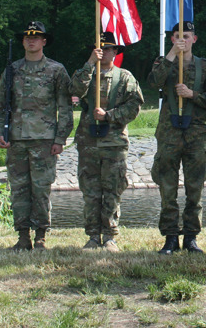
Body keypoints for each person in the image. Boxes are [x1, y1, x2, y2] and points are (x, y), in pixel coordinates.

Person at [0, 21, 74, 251]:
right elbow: (1, 105)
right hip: (16, 139)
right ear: (22, 41)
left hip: (44, 139)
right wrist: (1, 131)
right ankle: (22, 237)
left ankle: (40, 237)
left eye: (36, 37)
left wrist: (60, 139)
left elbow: (65, 107)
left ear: (44, 41)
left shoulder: (56, 70)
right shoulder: (12, 70)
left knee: (41, 190)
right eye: (28, 37)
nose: (31, 40)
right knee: (19, 190)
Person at [147, 21, 206, 255]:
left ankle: (191, 237)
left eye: (187, 36)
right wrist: (171, 54)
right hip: (169, 134)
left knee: (195, 188)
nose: (183, 39)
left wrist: (193, 95)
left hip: (195, 135)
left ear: (194, 39)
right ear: (172, 39)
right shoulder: (164, 62)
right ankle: (170, 238)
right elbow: (153, 83)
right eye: (178, 36)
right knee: (167, 189)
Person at [69, 32, 143, 252]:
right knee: (90, 190)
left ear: (115, 52)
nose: (104, 52)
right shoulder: (86, 74)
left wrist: (109, 115)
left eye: (109, 49)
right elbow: (74, 90)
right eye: (100, 48)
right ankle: (92, 236)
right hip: (88, 141)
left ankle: (110, 236)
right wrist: (90, 63)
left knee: (113, 189)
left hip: (114, 142)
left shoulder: (125, 77)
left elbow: (134, 106)